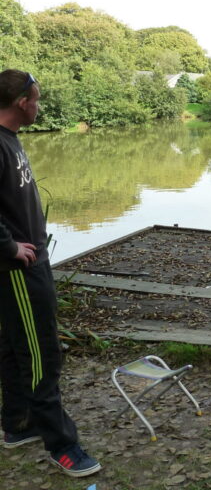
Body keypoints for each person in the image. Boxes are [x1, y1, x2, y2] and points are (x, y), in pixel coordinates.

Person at [0, 69, 101, 478]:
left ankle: (18, 425)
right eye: (37, 100)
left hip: (26, 263)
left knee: (14, 347)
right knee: (43, 353)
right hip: (18, 270)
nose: (39, 107)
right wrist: (7, 246)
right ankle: (61, 445)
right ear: (22, 102)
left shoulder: (9, 139)